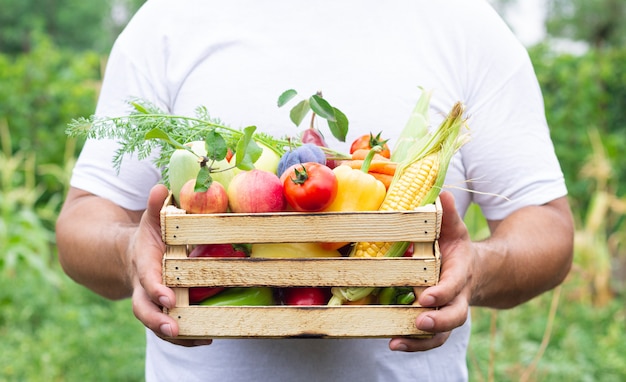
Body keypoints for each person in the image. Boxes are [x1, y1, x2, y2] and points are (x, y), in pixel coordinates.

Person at [55, 0, 574, 381]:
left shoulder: (467, 24)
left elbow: (547, 230)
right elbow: (82, 221)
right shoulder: (169, 20)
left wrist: (475, 271)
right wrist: (130, 254)